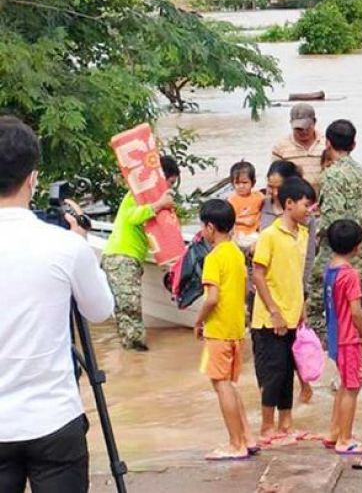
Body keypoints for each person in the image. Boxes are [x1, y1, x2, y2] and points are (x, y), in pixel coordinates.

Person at [0, 116, 115, 492]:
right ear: (33, 177)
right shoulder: (64, 247)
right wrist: (81, 241)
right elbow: (99, 311)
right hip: (53, 419)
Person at [307, 120, 362, 379]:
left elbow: (329, 223)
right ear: (354, 144)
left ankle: (344, 369)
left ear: (327, 143)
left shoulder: (330, 176)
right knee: (356, 317)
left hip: (334, 262)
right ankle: (360, 368)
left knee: (317, 315)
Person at [251, 176, 316, 445]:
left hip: (293, 314)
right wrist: (274, 311)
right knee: (274, 372)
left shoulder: (302, 233)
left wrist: (301, 309)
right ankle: (267, 426)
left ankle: (286, 423)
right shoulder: (269, 235)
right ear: (289, 204)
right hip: (269, 318)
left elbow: (296, 275)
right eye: (305, 205)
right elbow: (257, 275)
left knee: (289, 369)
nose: (309, 211)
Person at [193, 199, 257, 461]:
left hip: (218, 330)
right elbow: (244, 290)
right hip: (236, 329)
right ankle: (247, 437)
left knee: (221, 386)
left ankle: (235, 444)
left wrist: (198, 322)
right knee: (230, 385)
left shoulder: (214, 257)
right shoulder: (235, 252)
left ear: (210, 227)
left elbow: (211, 298)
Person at [101, 155, 178, 351]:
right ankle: (135, 357)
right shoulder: (137, 195)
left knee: (129, 310)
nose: (170, 189)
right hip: (121, 257)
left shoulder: (150, 201)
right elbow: (133, 216)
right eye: (170, 183)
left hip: (129, 258)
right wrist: (159, 204)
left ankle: (133, 357)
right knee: (129, 309)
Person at [261, 161, 318, 404]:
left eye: (278, 187)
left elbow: (306, 259)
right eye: (270, 187)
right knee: (269, 354)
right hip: (266, 287)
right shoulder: (261, 206)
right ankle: (268, 399)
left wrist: (302, 293)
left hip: (291, 291)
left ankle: (302, 386)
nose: (274, 193)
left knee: (293, 346)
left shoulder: (305, 221)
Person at [322, 219, 362, 455]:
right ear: (358, 246)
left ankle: (334, 432)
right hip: (349, 338)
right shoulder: (350, 275)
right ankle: (345, 439)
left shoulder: (329, 270)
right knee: (352, 387)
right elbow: (356, 311)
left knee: (344, 385)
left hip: (335, 335)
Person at [271, 103, 326, 195]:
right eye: (299, 128)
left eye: (307, 127)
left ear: (314, 122)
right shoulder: (280, 147)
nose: (304, 131)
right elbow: (275, 177)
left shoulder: (326, 144)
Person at [227, 161, 264, 250]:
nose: (241, 186)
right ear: (232, 184)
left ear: (253, 182)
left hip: (255, 233)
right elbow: (229, 220)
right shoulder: (231, 200)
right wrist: (243, 221)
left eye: (245, 182)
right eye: (237, 183)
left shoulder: (259, 197)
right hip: (239, 234)